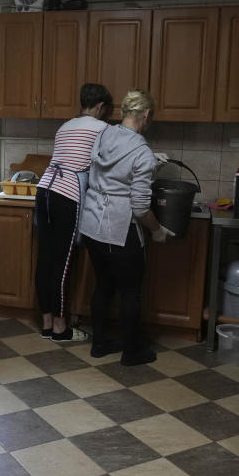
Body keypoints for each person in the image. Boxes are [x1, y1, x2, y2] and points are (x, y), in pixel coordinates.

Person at [79, 89, 174, 366]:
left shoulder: (103, 134)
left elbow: (113, 169)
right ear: (146, 115)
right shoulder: (142, 152)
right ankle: (132, 352)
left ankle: (99, 344)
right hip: (120, 229)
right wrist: (157, 230)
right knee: (131, 292)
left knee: (104, 285)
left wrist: (150, 163)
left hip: (93, 225)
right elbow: (141, 207)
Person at [34, 83, 114, 342]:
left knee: (45, 259)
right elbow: (109, 165)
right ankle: (60, 328)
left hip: (44, 190)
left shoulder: (64, 126)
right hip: (68, 195)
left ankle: (47, 323)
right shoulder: (103, 129)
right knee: (63, 262)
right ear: (101, 107)